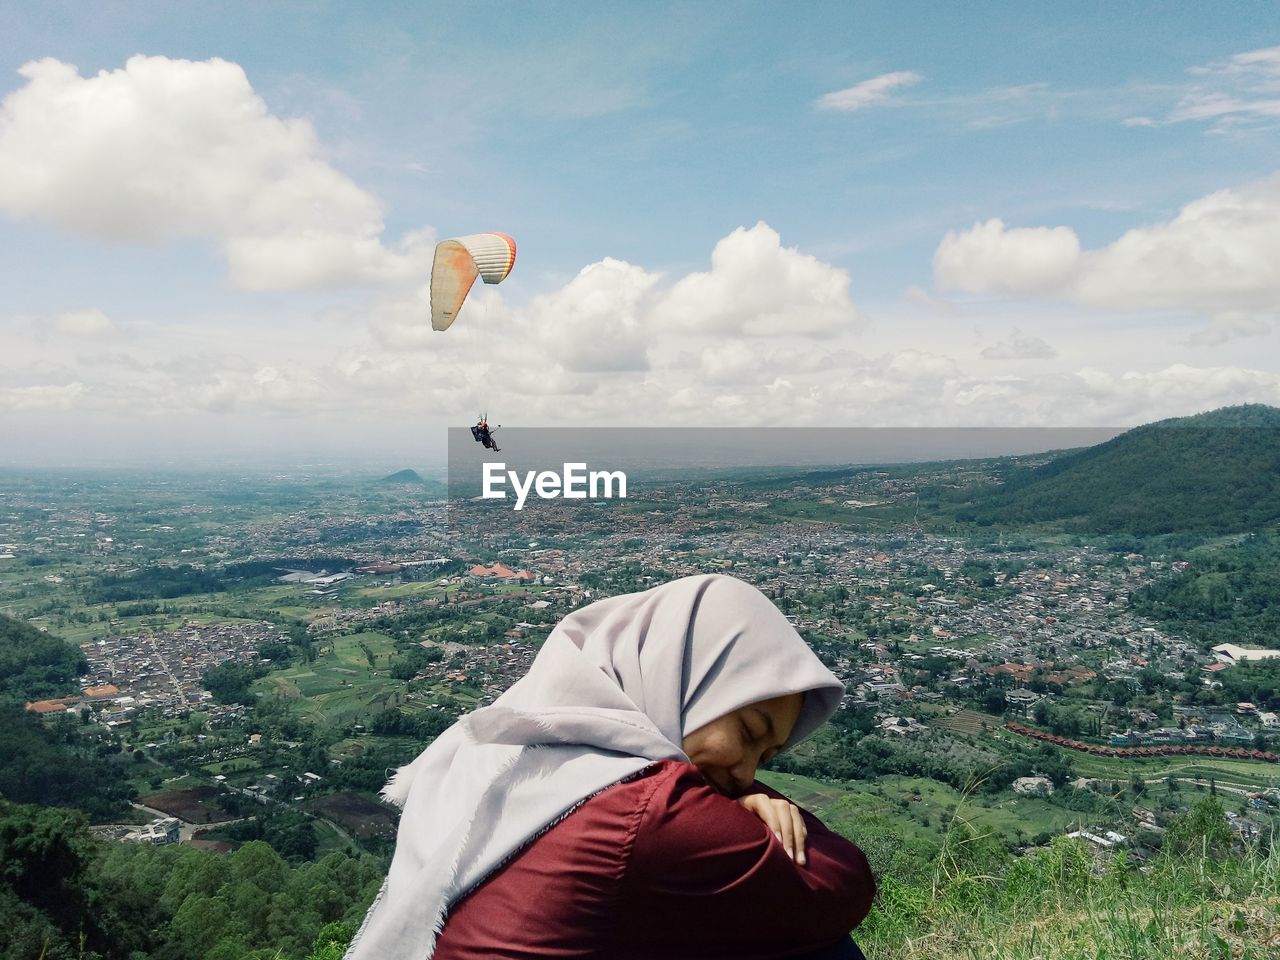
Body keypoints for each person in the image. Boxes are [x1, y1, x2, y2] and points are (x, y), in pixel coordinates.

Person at [345, 574, 876, 960]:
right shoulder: (642, 807)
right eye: (748, 733)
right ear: (683, 678)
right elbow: (842, 887)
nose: (744, 772)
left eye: (765, 759)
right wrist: (766, 807)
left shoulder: (515, 736)